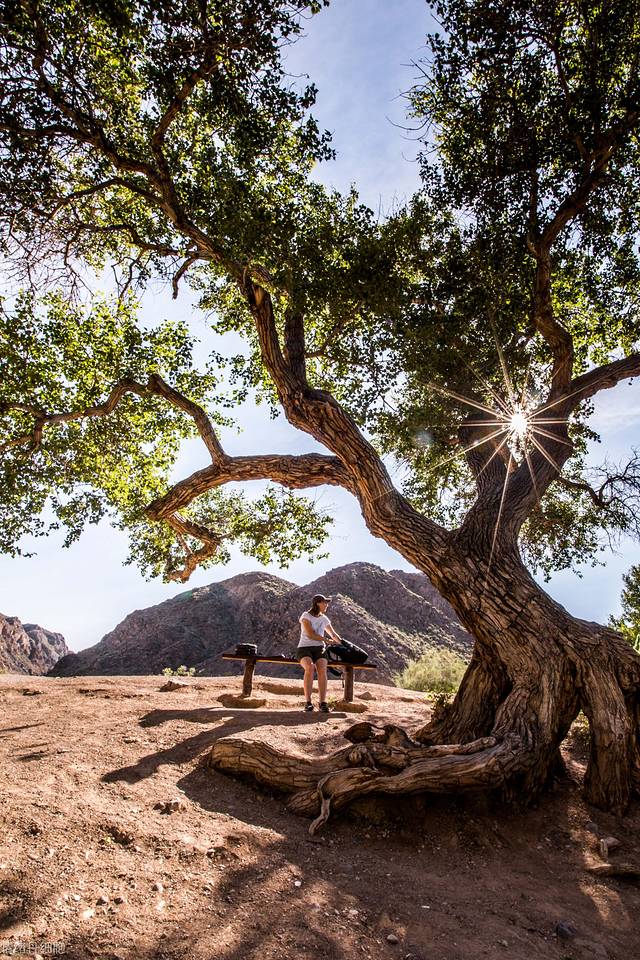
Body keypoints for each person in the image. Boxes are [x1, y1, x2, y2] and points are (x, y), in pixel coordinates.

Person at [297, 593, 343, 712]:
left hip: (319, 649)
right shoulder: (306, 616)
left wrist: (343, 643)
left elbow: (333, 634)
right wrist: (326, 640)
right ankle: (308, 702)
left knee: (322, 668)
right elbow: (310, 634)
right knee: (309, 667)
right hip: (304, 648)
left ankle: (322, 703)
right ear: (317, 603)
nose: (327, 605)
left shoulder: (324, 619)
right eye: (324, 602)